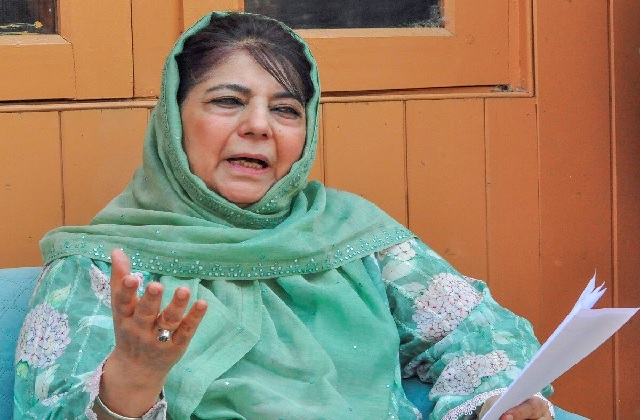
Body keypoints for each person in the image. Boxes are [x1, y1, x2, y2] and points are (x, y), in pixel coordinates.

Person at [14, 12, 556, 420]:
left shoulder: (354, 236)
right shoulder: (99, 267)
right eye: (228, 101)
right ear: (172, 121)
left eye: (285, 110)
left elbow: (480, 333)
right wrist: (130, 383)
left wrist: (497, 403)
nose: (259, 126)